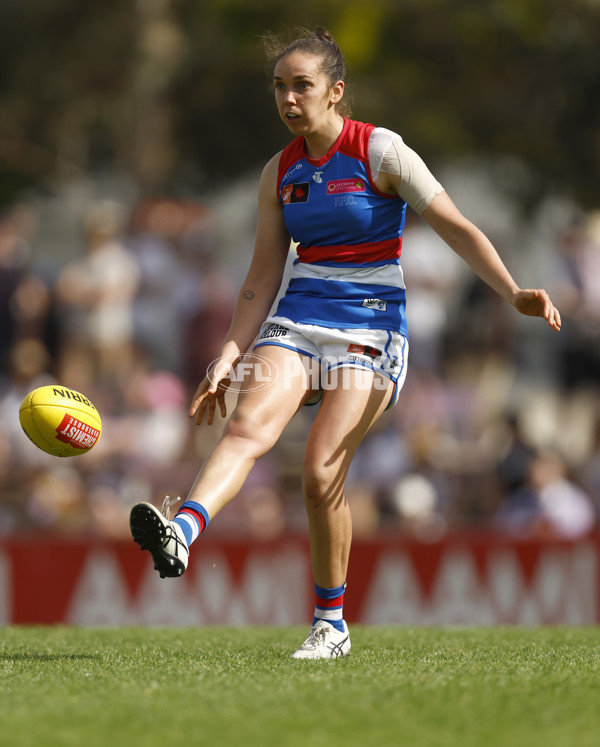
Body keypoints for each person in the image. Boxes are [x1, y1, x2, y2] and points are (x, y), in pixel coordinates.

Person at [130, 27, 561, 659]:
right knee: (248, 427)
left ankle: (331, 624)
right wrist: (227, 355)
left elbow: (455, 226)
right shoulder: (280, 171)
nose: (288, 99)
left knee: (318, 471)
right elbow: (259, 277)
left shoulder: (381, 151)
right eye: (279, 87)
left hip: (372, 327)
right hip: (298, 317)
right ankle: (183, 533)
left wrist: (512, 291)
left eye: (301, 86)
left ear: (336, 92)